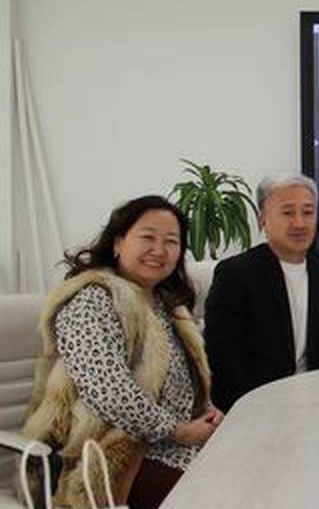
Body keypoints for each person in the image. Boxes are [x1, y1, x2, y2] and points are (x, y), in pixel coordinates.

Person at [21, 196, 220, 509]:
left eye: (171, 241)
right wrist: (178, 431)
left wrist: (207, 411)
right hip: (107, 455)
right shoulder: (91, 301)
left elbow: (185, 386)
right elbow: (108, 391)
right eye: (148, 237)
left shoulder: (168, 305)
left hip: (173, 448)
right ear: (118, 243)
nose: (159, 250)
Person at [204, 173, 319, 412]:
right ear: (263, 220)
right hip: (254, 407)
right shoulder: (235, 275)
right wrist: (250, 411)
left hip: (316, 404)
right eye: (288, 213)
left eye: (308, 212)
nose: (300, 223)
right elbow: (222, 360)